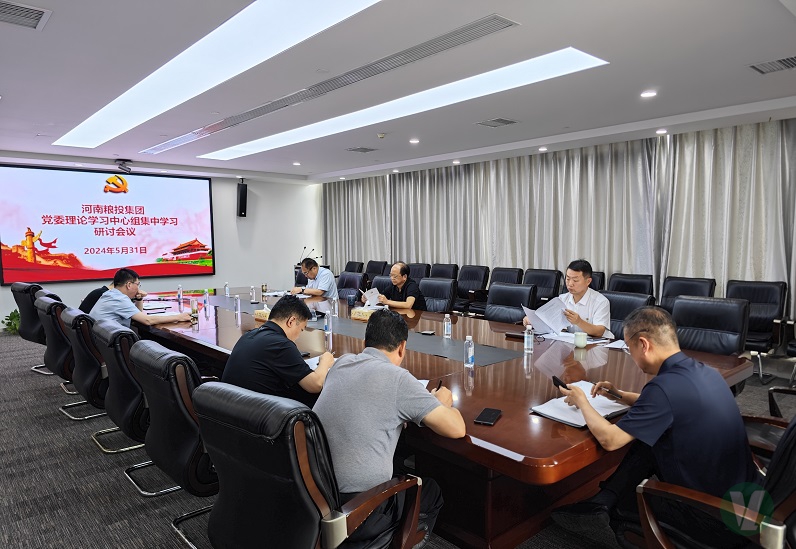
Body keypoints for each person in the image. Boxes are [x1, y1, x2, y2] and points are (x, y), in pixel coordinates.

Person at [551, 306, 759, 544]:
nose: (631, 355)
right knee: (648, 439)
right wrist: (619, 395)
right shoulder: (703, 371)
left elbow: (610, 440)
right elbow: (665, 404)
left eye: (629, 348)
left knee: (627, 500)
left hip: (715, 518)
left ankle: (610, 510)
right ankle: (601, 501)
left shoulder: (663, 387)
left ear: (643, 344)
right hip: (748, 503)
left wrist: (582, 401)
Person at [313, 309, 465, 545]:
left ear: (365, 342)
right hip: (358, 511)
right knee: (430, 491)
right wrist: (438, 402)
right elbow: (457, 428)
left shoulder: (341, 363)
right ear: (402, 347)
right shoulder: (398, 379)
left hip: (316, 496)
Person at [222, 295, 334, 407]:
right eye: (301, 330)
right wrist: (325, 361)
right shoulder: (281, 345)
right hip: (256, 413)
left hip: (228, 409)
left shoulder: (248, 335)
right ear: (291, 321)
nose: (298, 336)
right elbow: (315, 385)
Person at [524, 259, 612, 337]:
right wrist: (532, 320)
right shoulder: (562, 299)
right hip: (572, 343)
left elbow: (599, 332)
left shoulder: (601, 301)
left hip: (599, 346)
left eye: (575, 280)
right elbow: (549, 321)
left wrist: (579, 322)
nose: (570, 284)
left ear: (588, 281)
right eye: (568, 279)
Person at [89, 268, 191, 327]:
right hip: (108, 348)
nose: (138, 288)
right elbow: (147, 320)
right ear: (129, 285)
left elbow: (137, 314)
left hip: (101, 343)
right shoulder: (120, 299)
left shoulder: (111, 294)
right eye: (137, 284)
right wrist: (180, 317)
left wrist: (139, 299)